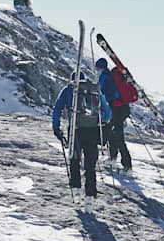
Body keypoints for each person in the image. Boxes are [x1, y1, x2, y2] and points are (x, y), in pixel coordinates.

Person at [52, 70, 111, 213]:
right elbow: (107, 113)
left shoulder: (68, 90)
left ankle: (76, 191)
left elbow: (57, 109)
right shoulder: (94, 90)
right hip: (92, 131)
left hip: (75, 131)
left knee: (74, 160)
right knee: (90, 166)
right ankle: (90, 198)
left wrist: (56, 128)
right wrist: (98, 122)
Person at [95, 58, 132, 174]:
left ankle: (127, 166)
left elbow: (101, 94)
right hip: (121, 109)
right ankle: (113, 158)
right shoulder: (111, 75)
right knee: (113, 133)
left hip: (114, 110)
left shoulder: (104, 77)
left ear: (99, 67)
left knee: (117, 136)